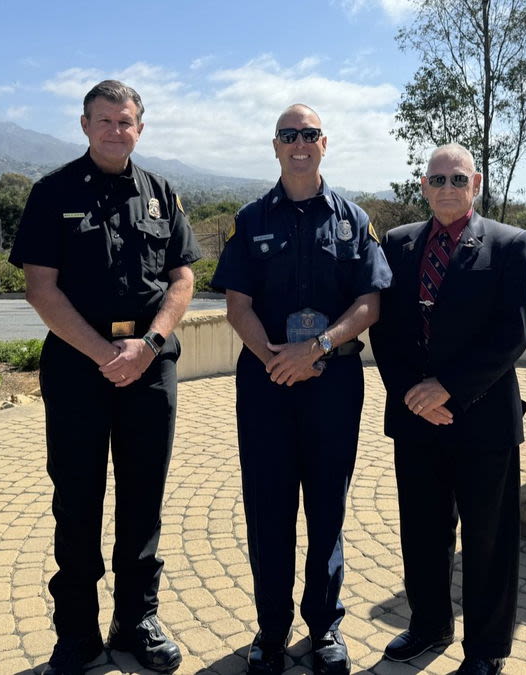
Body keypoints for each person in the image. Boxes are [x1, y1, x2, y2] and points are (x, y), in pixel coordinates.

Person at [9, 80, 199, 675]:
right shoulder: (51, 192)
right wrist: (101, 353)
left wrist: (148, 346)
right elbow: (40, 287)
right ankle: (77, 634)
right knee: (78, 500)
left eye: (127, 121)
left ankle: (136, 619)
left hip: (149, 368)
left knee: (144, 499)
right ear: (85, 125)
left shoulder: (162, 193)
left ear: (140, 127)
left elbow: (183, 279)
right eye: (105, 120)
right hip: (76, 367)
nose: (117, 130)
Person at [211, 104, 391, 675]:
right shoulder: (249, 219)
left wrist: (316, 349)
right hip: (266, 385)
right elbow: (236, 305)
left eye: (308, 134)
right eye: (288, 135)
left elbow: (370, 302)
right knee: (268, 509)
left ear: (324, 142)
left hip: (333, 383)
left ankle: (325, 628)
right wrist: (274, 358)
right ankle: (270, 630)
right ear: (275, 145)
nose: (299, 143)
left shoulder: (354, 221)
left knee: (327, 509)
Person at [369, 144, 526, 675]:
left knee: (488, 538)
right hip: (416, 417)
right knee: (422, 530)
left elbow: (513, 333)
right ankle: (428, 625)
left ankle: (486, 650)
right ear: (423, 184)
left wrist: (448, 389)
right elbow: (384, 328)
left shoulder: (510, 244)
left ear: (476, 183)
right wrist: (413, 393)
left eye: (457, 178)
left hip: (483, 418)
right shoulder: (397, 244)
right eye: (437, 178)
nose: (446, 187)